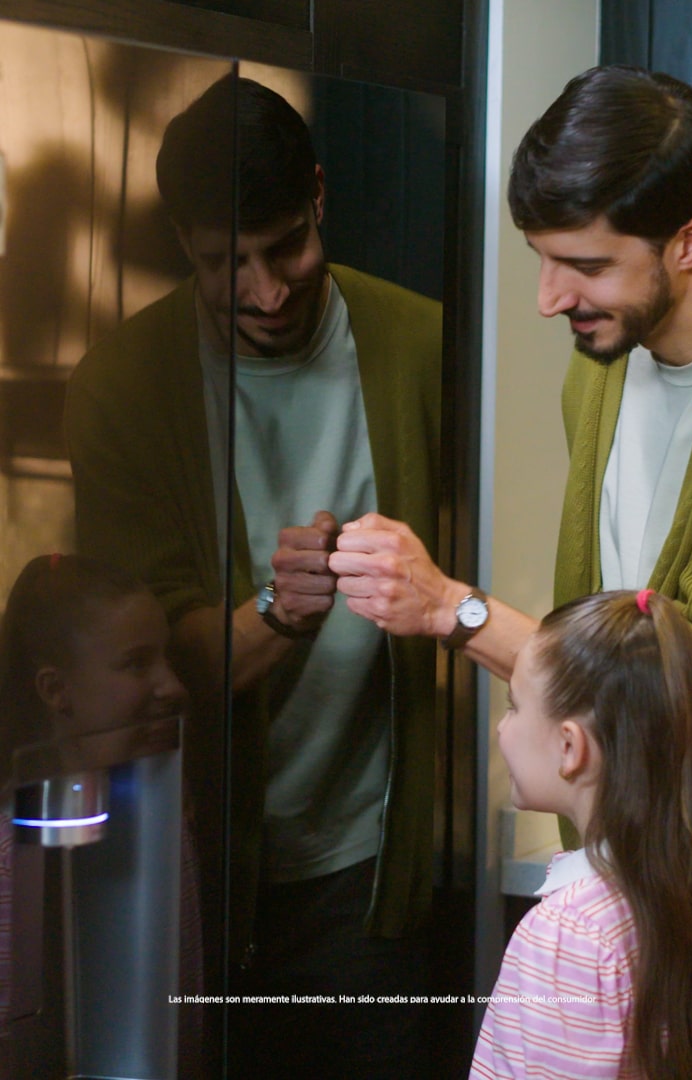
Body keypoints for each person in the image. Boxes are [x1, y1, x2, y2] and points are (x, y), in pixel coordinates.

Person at [328, 66, 692, 1012]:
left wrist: (455, 609)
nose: (548, 297)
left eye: (587, 264)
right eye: (541, 255)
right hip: (632, 906)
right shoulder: (604, 368)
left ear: (691, 242)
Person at [64, 74, 442, 1078]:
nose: (269, 291)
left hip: (371, 874)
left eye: (286, 247)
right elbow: (140, 667)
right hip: (190, 863)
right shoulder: (123, 384)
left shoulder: (418, 345)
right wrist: (280, 610)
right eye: (226, 262)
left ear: (320, 194)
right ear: (183, 244)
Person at [468, 589, 692, 1079]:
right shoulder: (683, 884)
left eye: (514, 707)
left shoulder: (567, 935)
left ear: (569, 747)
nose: (501, 729)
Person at [0, 553, 196, 1080]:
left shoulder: (163, 816)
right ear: (55, 689)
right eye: (137, 663)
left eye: (166, 659)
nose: (173, 685)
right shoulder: (15, 847)